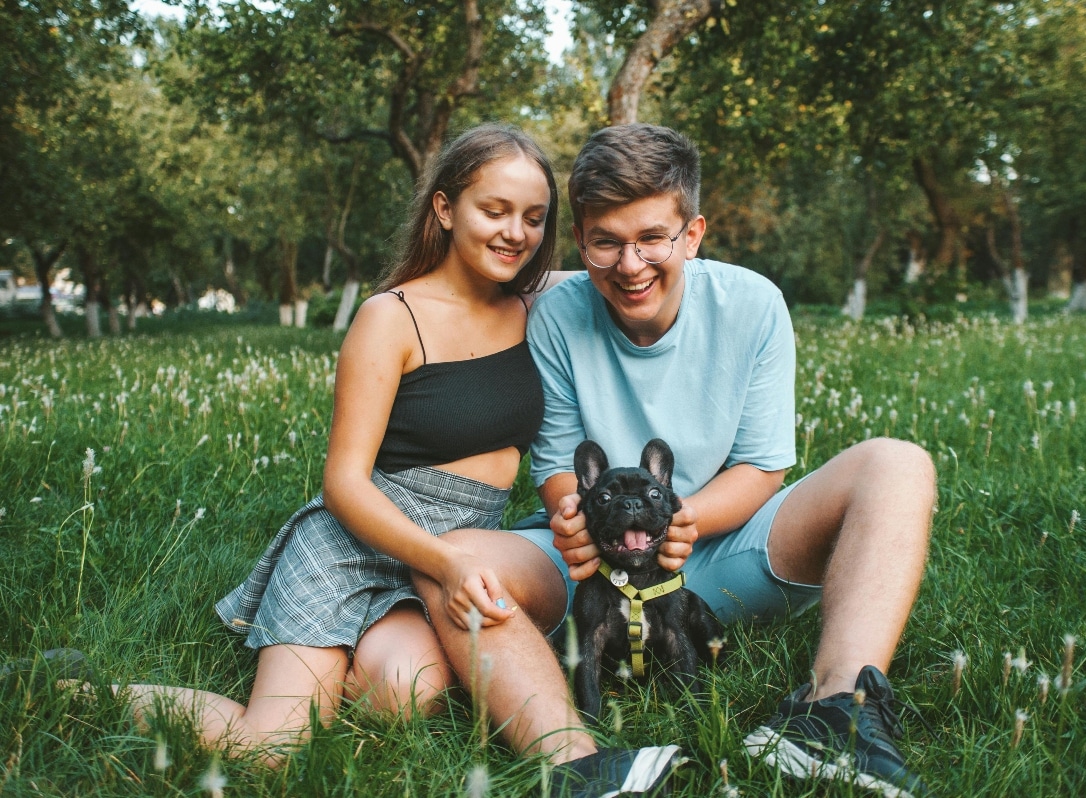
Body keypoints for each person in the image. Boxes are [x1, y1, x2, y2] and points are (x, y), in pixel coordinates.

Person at [419, 123, 936, 797]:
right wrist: (569, 517)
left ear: (691, 235)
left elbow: (761, 466)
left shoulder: (753, 305)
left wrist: (684, 519)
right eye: (606, 241)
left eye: (651, 239)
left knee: (896, 463)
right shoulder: (555, 316)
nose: (630, 265)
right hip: (593, 563)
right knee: (451, 559)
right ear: (583, 240)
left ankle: (832, 716)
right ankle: (579, 763)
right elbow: (555, 465)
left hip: (720, 546)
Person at [112, 123, 651, 769]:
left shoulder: (534, 304)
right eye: (495, 210)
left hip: (460, 546)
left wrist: (693, 259)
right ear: (445, 208)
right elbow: (343, 483)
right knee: (272, 750)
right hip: (356, 546)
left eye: (534, 218)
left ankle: (325, 671)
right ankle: (84, 693)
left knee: (402, 699)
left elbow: (630, 260)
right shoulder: (390, 316)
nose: (516, 233)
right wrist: (448, 564)